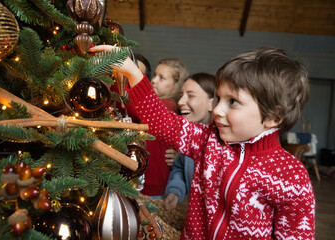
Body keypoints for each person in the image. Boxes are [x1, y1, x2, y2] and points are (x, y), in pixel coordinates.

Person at [90, 46, 315, 239]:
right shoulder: (208, 141)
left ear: (273, 117)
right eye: (219, 98)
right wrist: (133, 74)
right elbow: (161, 121)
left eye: (233, 102)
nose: (217, 110)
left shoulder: (291, 175)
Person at [164, 73, 215, 211]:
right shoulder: (188, 137)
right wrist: (175, 191)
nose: (180, 102)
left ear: (212, 103)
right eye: (181, 95)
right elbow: (180, 168)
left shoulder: (220, 144)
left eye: (191, 95)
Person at [142, 58, 189, 198]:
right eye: (155, 75)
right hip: (148, 180)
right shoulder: (161, 104)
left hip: (152, 182)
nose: (154, 80)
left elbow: (133, 105)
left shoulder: (167, 105)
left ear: (176, 85)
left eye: (162, 78)